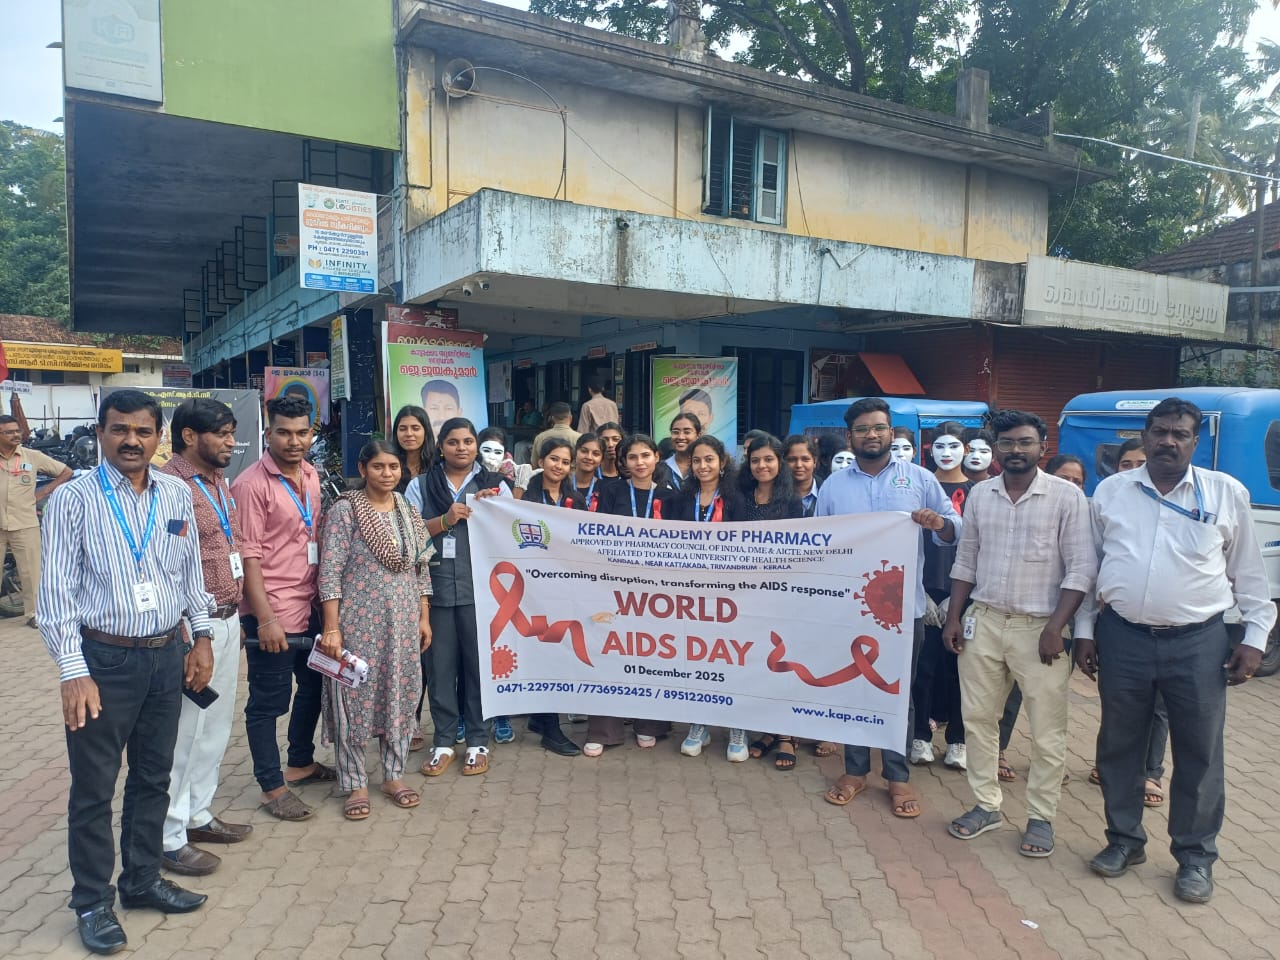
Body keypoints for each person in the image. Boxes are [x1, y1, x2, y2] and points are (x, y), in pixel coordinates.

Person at [1075, 397, 1274, 904]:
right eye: (1159, 431)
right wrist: (1085, 630)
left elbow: (1250, 573)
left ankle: (1195, 857)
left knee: (1199, 753)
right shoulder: (1113, 492)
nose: (1168, 441)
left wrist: (1255, 638)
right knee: (1119, 745)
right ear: (1145, 436)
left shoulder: (1225, 492)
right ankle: (1124, 841)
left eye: (1179, 433)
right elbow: (1091, 567)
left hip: (1198, 643)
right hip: (1123, 638)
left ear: (1195, 441)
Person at [40, 390, 212, 955]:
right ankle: (92, 902)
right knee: (94, 789)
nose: (131, 441)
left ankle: (141, 880)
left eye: (143, 431)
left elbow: (189, 576)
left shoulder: (176, 494)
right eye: (119, 429)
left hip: (165, 656)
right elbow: (56, 593)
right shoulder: (74, 499)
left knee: (153, 777)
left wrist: (201, 636)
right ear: (101, 433)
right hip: (103, 662)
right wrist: (73, 670)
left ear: (159, 437)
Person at [942, 409, 1095, 859]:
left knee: (1047, 729)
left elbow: (1081, 568)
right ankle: (986, 805)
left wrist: (1056, 627)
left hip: (1040, 629)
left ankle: (1041, 817)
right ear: (995, 448)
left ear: (1042, 447)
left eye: (1024, 442)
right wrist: (954, 617)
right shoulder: (981, 495)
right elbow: (966, 559)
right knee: (978, 720)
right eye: (1006, 442)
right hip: (985, 621)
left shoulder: (1067, 497)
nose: (1015, 450)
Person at [817, 397, 961, 818]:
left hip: (903, 610)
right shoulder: (834, 486)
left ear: (891, 433)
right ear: (850, 437)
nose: (872, 435)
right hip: (848, 608)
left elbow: (955, 527)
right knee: (853, 689)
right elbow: (820, 540)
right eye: (863, 429)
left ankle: (897, 775)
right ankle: (855, 771)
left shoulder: (919, 478)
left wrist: (939, 524)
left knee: (900, 692)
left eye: (879, 427)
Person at [158, 399, 252, 877]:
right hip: (195, 629)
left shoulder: (218, 482)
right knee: (184, 733)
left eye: (232, 432)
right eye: (222, 433)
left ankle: (197, 815)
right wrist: (192, 636)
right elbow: (170, 567)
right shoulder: (169, 487)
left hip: (227, 619)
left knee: (214, 727)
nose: (231, 442)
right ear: (190, 436)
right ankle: (169, 837)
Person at [317, 441, 434, 820]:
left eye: (393, 467)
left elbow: (420, 567)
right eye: (379, 466)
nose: (387, 474)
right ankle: (354, 783)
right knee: (353, 700)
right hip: (357, 624)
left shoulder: (407, 510)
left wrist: (423, 616)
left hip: (403, 624)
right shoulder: (345, 511)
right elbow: (330, 570)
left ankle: (393, 776)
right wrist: (332, 628)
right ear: (363, 468)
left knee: (400, 694)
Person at [233, 394, 332, 822]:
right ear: (268, 433)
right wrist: (265, 619)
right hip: (272, 611)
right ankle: (271, 788)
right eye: (284, 433)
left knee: (313, 687)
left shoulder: (310, 473)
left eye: (302, 433)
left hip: (309, 604)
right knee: (268, 703)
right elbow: (248, 557)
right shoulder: (250, 485)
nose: (294, 441)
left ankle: (301, 763)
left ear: (312, 433)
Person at [410, 418, 511, 777]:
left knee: (478, 667)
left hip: (481, 592)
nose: (461, 448)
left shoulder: (495, 484)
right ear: (440, 447)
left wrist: (494, 510)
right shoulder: (421, 484)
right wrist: (445, 519)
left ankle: (478, 741)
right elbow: (408, 534)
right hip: (434, 591)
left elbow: (513, 532)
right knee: (440, 669)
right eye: (453, 442)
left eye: (468, 441)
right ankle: (443, 741)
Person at [1085, 436, 1167, 806]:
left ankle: (1151, 772)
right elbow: (1093, 561)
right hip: (1118, 624)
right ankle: (1113, 766)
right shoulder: (1109, 498)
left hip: (1173, 628)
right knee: (1118, 704)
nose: (1133, 470)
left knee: (1159, 707)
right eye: (1126, 464)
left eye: (1140, 463)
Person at [585, 435, 678, 756]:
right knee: (609, 650)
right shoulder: (610, 491)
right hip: (614, 585)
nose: (640, 462)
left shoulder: (670, 496)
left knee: (652, 652)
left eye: (645, 455)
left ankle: (650, 723)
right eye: (633, 457)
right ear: (623, 462)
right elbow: (593, 531)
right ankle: (603, 729)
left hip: (656, 589)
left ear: (656, 457)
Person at [672, 436, 748, 762]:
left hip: (728, 593)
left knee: (729, 656)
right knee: (696, 657)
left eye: (709, 460)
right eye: (697, 460)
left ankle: (737, 726)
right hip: (690, 592)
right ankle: (699, 722)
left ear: (723, 462)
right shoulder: (682, 499)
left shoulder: (736, 499)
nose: (703, 466)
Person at [911, 422, 971, 772]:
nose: (946, 453)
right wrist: (922, 591)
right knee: (923, 667)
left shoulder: (980, 491)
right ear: (929, 449)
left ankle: (958, 740)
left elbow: (979, 547)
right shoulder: (920, 487)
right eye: (940, 446)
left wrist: (958, 600)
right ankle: (920, 735)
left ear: (967, 449)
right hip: (922, 591)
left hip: (963, 593)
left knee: (961, 669)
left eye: (954, 446)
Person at [0, 413, 72, 627]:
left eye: (17, 431)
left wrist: (43, 493)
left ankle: (34, 614)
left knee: (31, 572)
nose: (16, 435)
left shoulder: (32, 456)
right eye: (9, 432)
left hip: (25, 522)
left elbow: (66, 472)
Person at [391, 405, 435, 493]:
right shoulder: (388, 464)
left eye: (415, 428)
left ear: (426, 431)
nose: (409, 434)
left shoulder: (438, 464)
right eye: (402, 429)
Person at [571, 433, 615, 512]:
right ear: (575, 453)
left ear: (601, 459)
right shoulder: (561, 484)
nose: (589, 457)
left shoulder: (606, 489)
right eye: (584, 451)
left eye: (596, 454)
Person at [531, 402, 581, 469]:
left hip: (546, 474)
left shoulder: (540, 437)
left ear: (552, 418)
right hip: (571, 474)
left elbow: (534, 463)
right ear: (571, 418)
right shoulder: (579, 438)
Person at [784, 434, 821, 517]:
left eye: (805, 459)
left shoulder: (827, 491)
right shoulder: (772, 494)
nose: (799, 465)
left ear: (815, 461)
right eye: (792, 460)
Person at [663, 412, 702, 484]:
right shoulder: (660, 468)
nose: (680, 437)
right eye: (676, 432)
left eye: (687, 432)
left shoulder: (705, 467)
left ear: (698, 435)